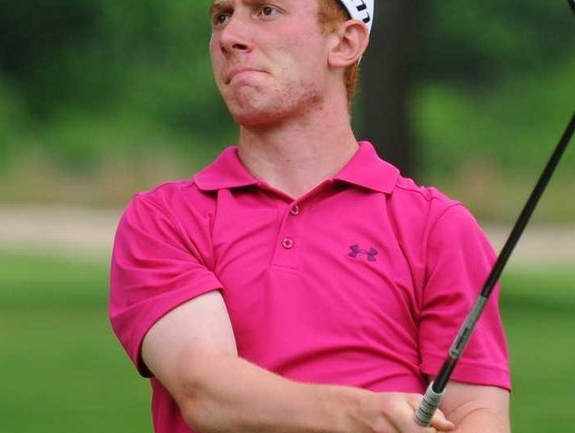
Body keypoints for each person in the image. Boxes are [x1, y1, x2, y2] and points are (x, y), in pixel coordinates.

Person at [109, 1, 511, 432]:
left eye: (265, 11)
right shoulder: (164, 219)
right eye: (221, 16)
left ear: (344, 43)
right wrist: (360, 414)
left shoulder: (438, 227)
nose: (229, 36)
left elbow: (475, 415)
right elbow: (206, 391)